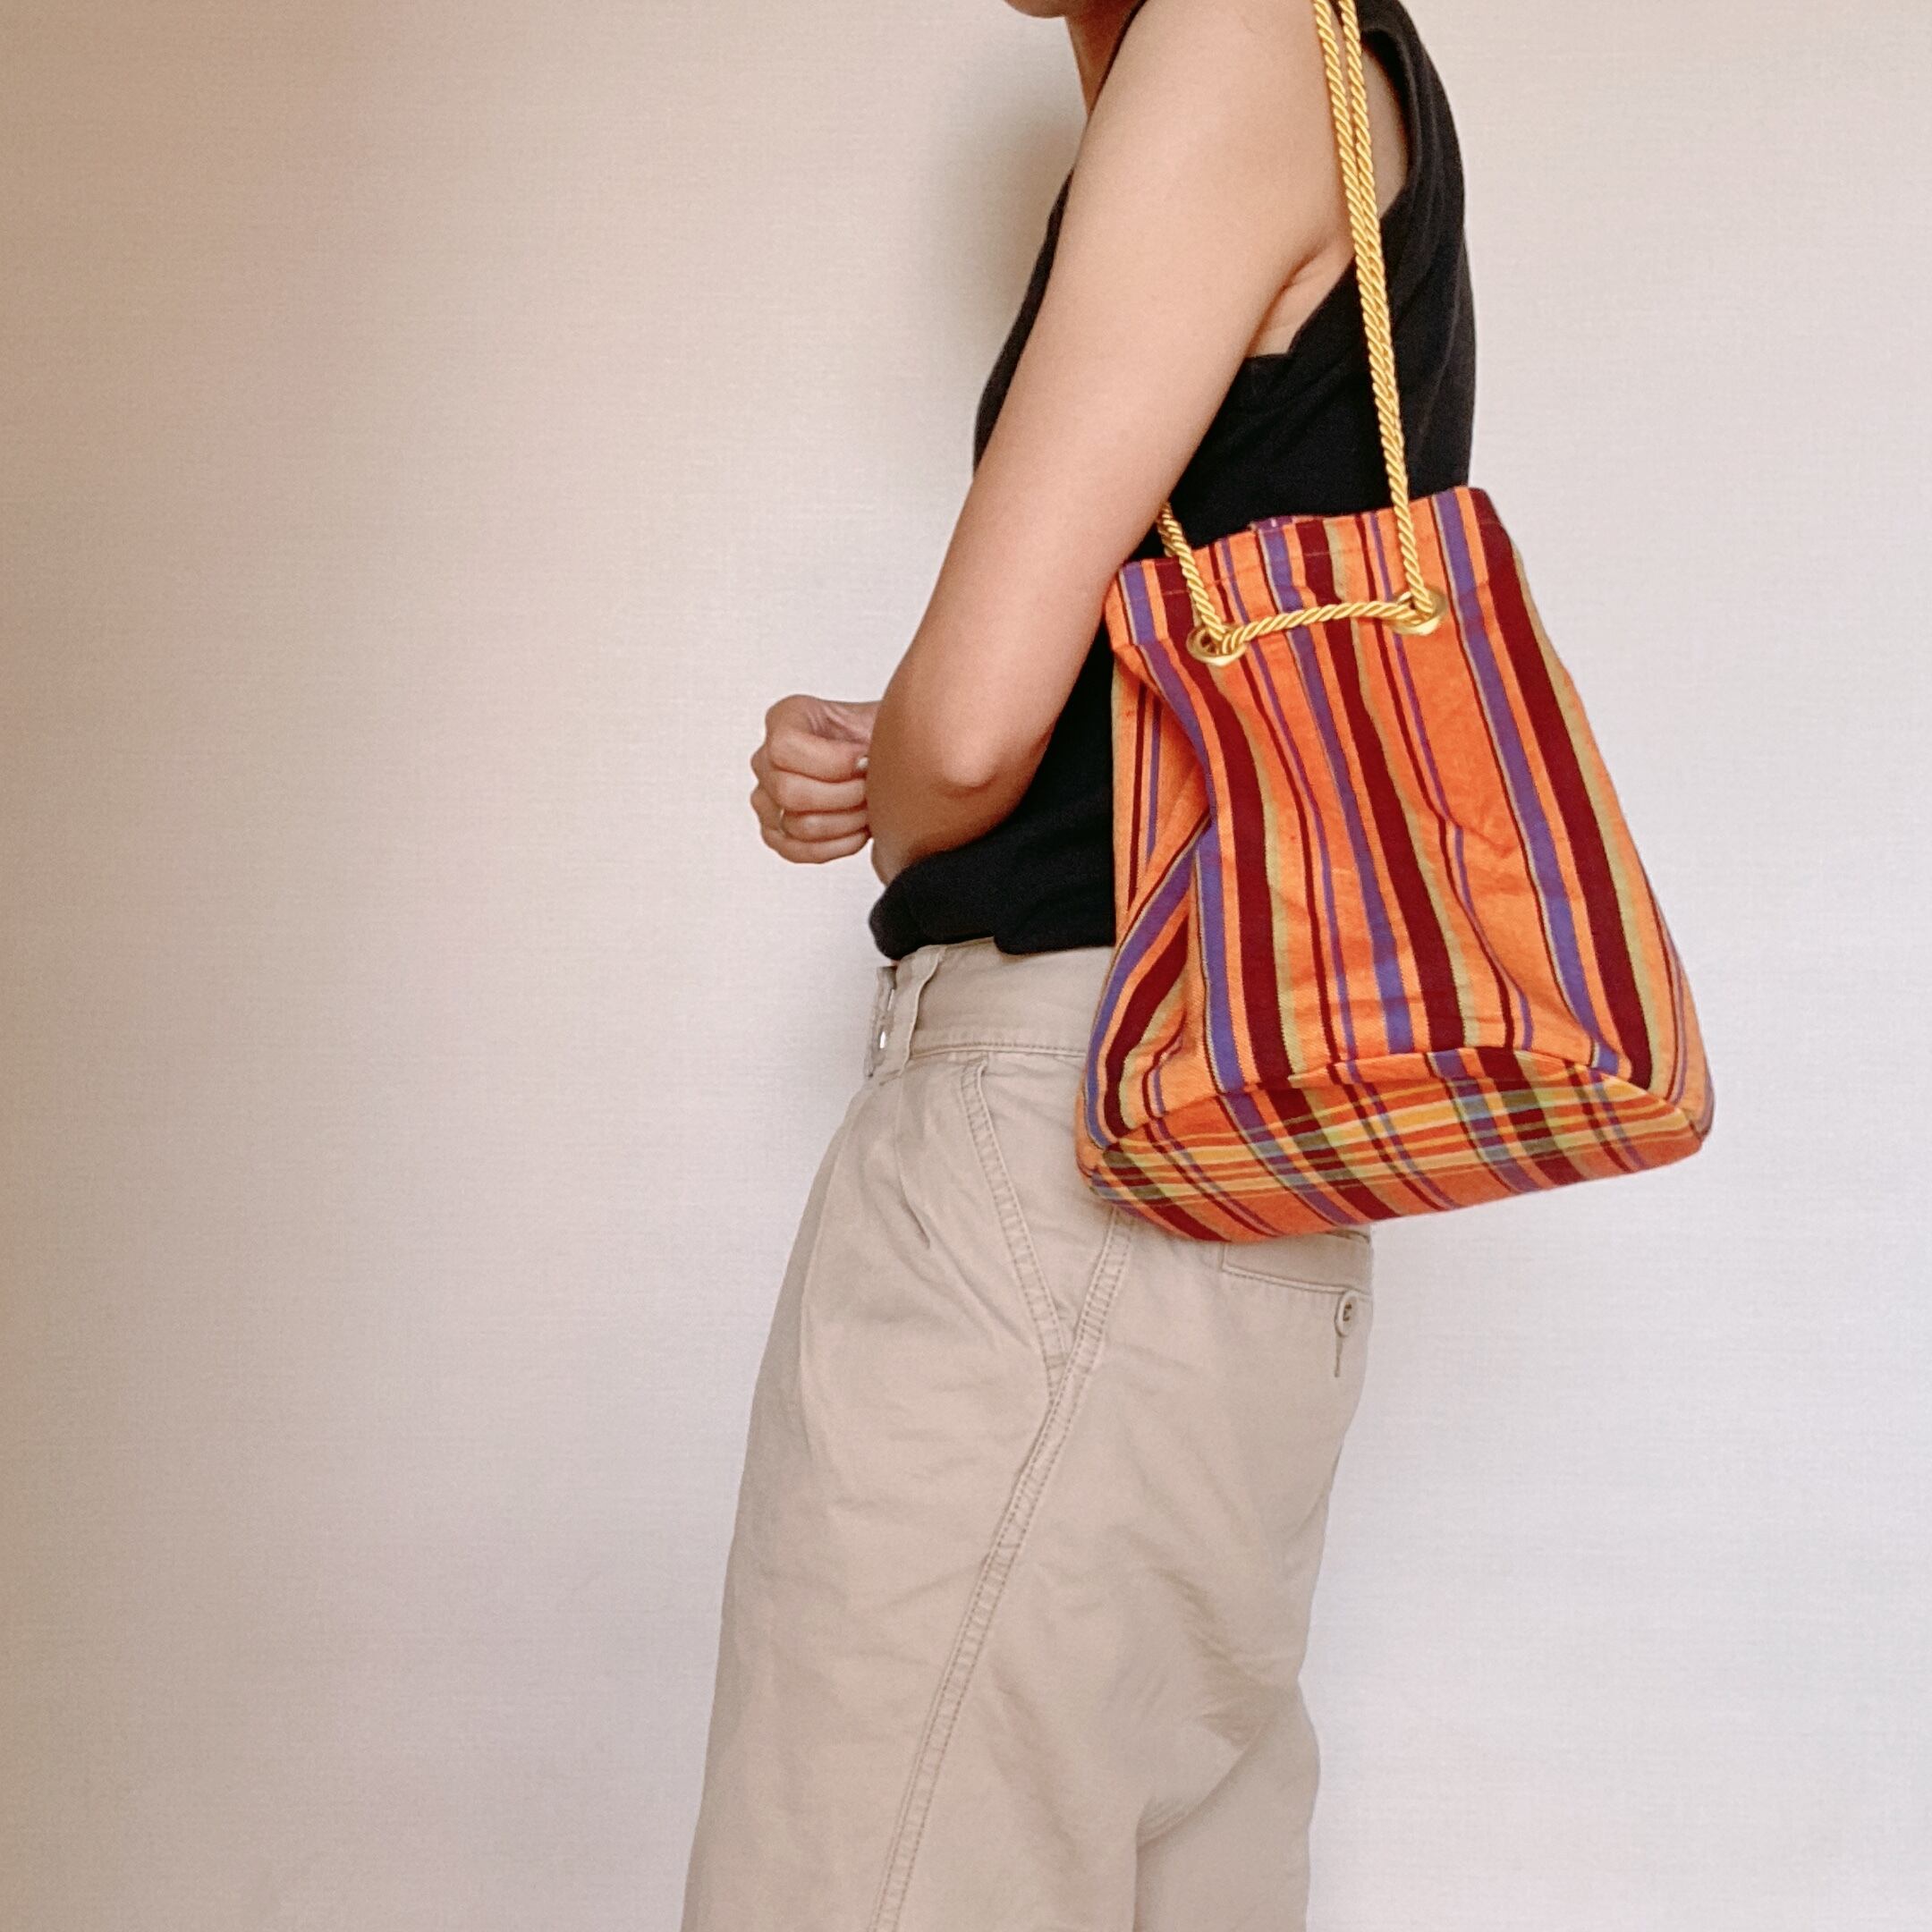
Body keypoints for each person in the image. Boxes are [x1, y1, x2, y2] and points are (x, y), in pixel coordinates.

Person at [686, 0, 1475, 1924]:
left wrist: (907, 772)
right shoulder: (1322, 60)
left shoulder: (1229, 41)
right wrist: (907, 749)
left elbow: (969, 741)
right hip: (1236, 1173)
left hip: (1069, 1159)